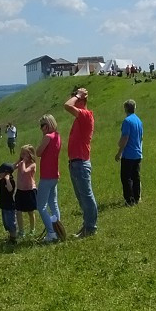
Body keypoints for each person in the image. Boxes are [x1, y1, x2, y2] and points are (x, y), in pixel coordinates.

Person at [63, 87, 98, 238]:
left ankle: (90, 228)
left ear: (81, 100)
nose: (74, 100)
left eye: (76, 99)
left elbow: (67, 106)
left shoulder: (86, 115)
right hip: (76, 163)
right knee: (82, 198)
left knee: (87, 196)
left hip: (81, 163)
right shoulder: (80, 118)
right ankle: (87, 226)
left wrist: (78, 95)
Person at [35, 114, 64, 242]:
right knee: (53, 203)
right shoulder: (57, 136)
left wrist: (43, 137)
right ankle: (58, 230)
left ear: (47, 125)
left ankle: (51, 232)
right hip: (54, 174)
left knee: (41, 205)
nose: (41, 128)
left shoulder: (47, 137)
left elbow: (38, 152)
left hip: (46, 175)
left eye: (42, 126)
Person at [115, 99, 143, 206]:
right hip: (138, 153)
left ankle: (129, 200)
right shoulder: (139, 121)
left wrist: (119, 152)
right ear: (134, 108)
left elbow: (125, 138)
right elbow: (141, 137)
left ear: (125, 109)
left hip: (129, 155)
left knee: (126, 178)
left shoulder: (127, 121)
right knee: (136, 177)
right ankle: (137, 197)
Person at [14, 145, 38, 238]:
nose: (22, 155)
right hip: (20, 190)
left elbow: (24, 171)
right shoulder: (20, 163)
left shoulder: (32, 164)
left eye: (25, 153)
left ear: (30, 154)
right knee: (18, 211)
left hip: (29, 190)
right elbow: (13, 167)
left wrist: (23, 161)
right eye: (22, 153)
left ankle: (32, 229)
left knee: (30, 212)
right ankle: (21, 231)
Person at [0, 163, 17, 243]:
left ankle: (13, 238)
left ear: (6, 173)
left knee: (11, 222)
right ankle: (11, 237)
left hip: (9, 206)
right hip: (3, 205)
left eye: (0, 172)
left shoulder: (11, 181)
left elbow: (10, 189)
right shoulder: (2, 181)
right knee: (6, 223)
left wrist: (7, 179)